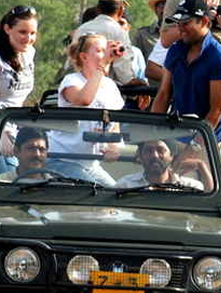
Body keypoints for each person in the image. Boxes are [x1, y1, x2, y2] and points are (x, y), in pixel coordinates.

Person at [151, 0, 221, 162]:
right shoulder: (175, 50)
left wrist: (193, 150)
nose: (180, 29)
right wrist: (152, 136)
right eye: (178, 23)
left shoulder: (220, 58)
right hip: (178, 132)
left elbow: (215, 111)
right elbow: (163, 94)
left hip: (209, 141)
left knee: (202, 185)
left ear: (204, 21)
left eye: (186, 23)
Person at [48, 33, 126, 185]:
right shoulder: (71, 80)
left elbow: (114, 122)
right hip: (63, 158)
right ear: (84, 57)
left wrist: (113, 146)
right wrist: (101, 67)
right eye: (99, 50)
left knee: (115, 194)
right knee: (96, 194)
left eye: (106, 50)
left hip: (90, 164)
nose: (104, 55)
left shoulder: (110, 85)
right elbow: (84, 100)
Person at [0, 5, 38, 174]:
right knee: (10, 180)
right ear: (7, 29)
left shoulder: (28, 53)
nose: (28, 38)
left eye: (33, 33)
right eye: (22, 32)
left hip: (14, 129)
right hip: (2, 130)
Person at [71, 0, 137, 86]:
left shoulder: (81, 29)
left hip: (79, 86)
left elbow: (73, 59)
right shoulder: (119, 32)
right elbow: (122, 66)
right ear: (121, 11)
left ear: (98, 10)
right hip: (104, 88)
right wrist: (131, 82)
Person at [116, 138, 204, 189]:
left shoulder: (191, 187)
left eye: (160, 150)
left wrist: (202, 166)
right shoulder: (125, 185)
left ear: (171, 156)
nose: (155, 156)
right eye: (148, 151)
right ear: (141, 156)